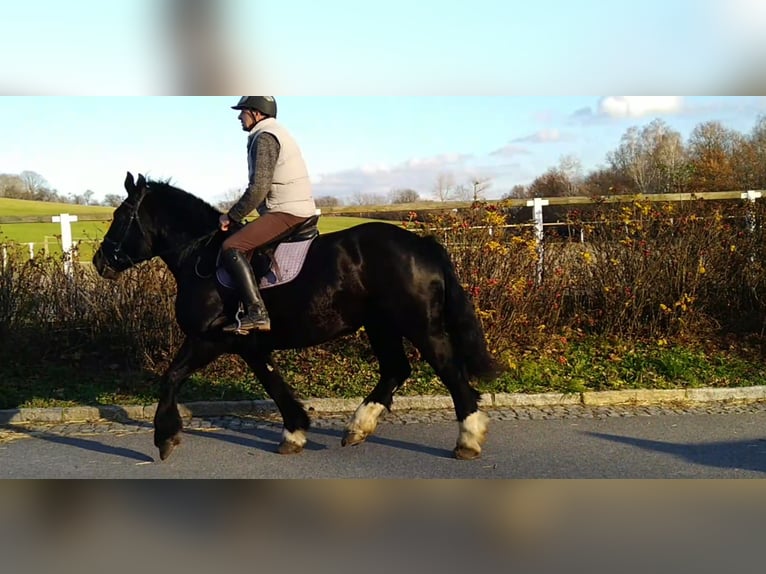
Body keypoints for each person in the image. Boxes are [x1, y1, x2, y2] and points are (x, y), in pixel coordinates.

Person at [219, 96, 317, 334]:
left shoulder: (265, 137)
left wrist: (231, 216)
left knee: (232, 246)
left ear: (256, 113)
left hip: (287, 211)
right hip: (290, 207)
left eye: (242, 111)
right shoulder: (274, 132)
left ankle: (257, 313)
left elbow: (258, 188)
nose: (239, 116)